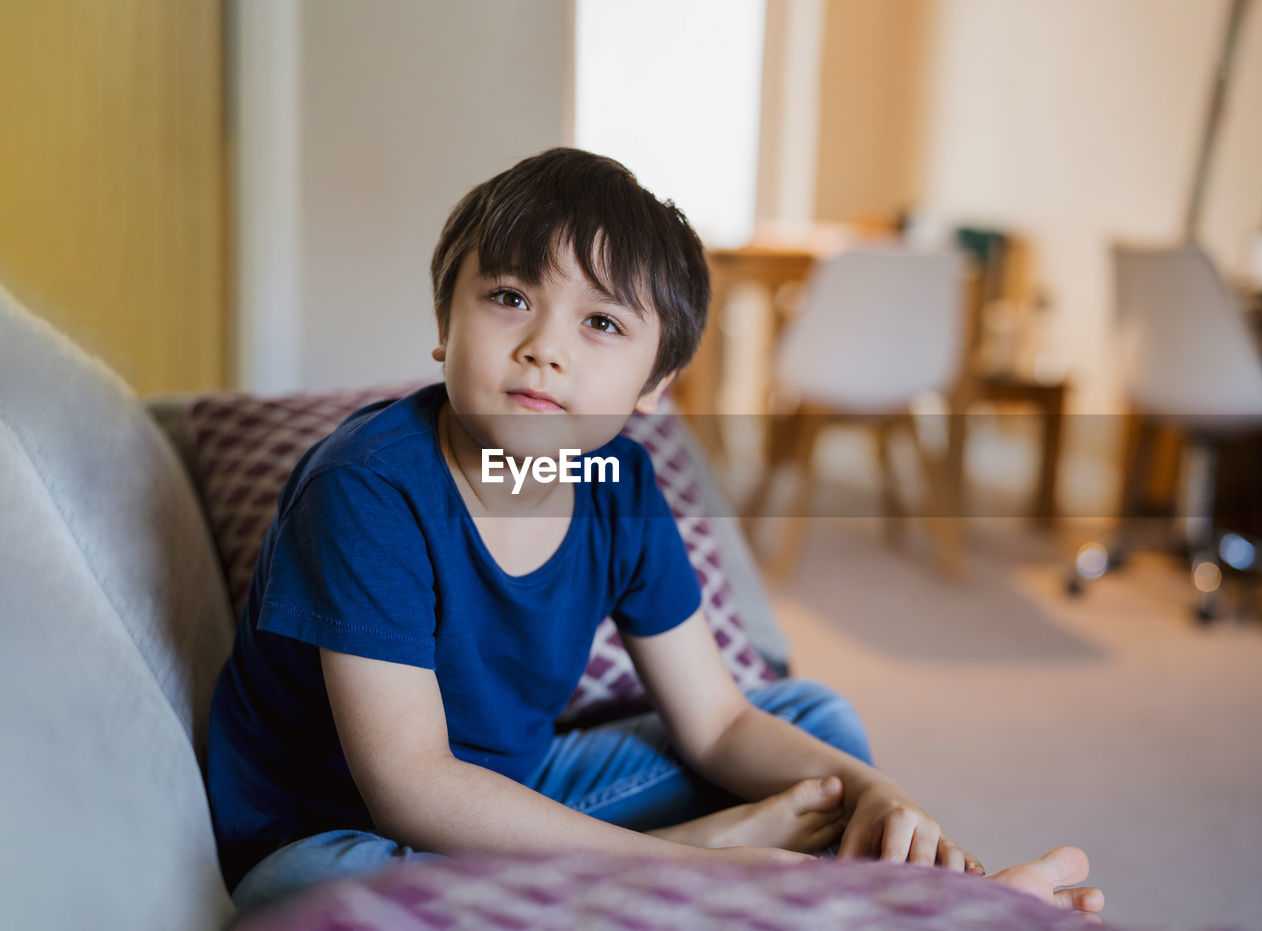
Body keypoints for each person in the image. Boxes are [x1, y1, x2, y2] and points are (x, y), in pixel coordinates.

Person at [205, 147, 1103, 919]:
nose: (545, 347)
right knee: (331, 899)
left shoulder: (618, 485)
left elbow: (715, 723)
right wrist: (694, 860)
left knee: (816, 730)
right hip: (340, 832)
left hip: (516, 796)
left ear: (654, 384)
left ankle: (933, 904)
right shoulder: (369, 489)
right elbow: (410, 787)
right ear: (444, 324)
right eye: (510, 297)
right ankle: (711, 884)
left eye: (601, 322)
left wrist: (884, 795)